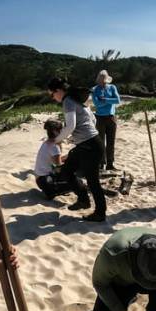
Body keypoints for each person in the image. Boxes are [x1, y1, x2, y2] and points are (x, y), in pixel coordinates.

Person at [47, 77, 107, 222]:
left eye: (52, 94)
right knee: (67, 171)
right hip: (90, 143)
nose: (52, 98)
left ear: (59, 91)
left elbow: (70, 126)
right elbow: (93, 119)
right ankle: (83, 200)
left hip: (90, 146)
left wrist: (57, 140)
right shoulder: (78, 100)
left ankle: (100, 213)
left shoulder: (68, 101)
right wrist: (77, 137)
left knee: (93, 182)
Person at [34, 118, 73, 199]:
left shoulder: (47, 142)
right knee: (76, 183)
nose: (63, 132)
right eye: (61, 130)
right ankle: (52, 192)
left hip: (40, 178)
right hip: (45, 181)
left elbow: (54, 160)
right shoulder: (54, 147)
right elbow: (58, 168)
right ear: (55, 131)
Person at [92, 69, 121, 171]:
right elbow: (96, 104)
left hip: (111, 117)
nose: (103, 83)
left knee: (111, 142)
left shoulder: (112, 87)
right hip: (99, 117)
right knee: (100, 142)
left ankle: (110, 163)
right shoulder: (94, 89)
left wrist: (105, 100)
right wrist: (109, 101)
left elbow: (117, 100)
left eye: (104, 81)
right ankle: (101, 163)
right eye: (101, 81)